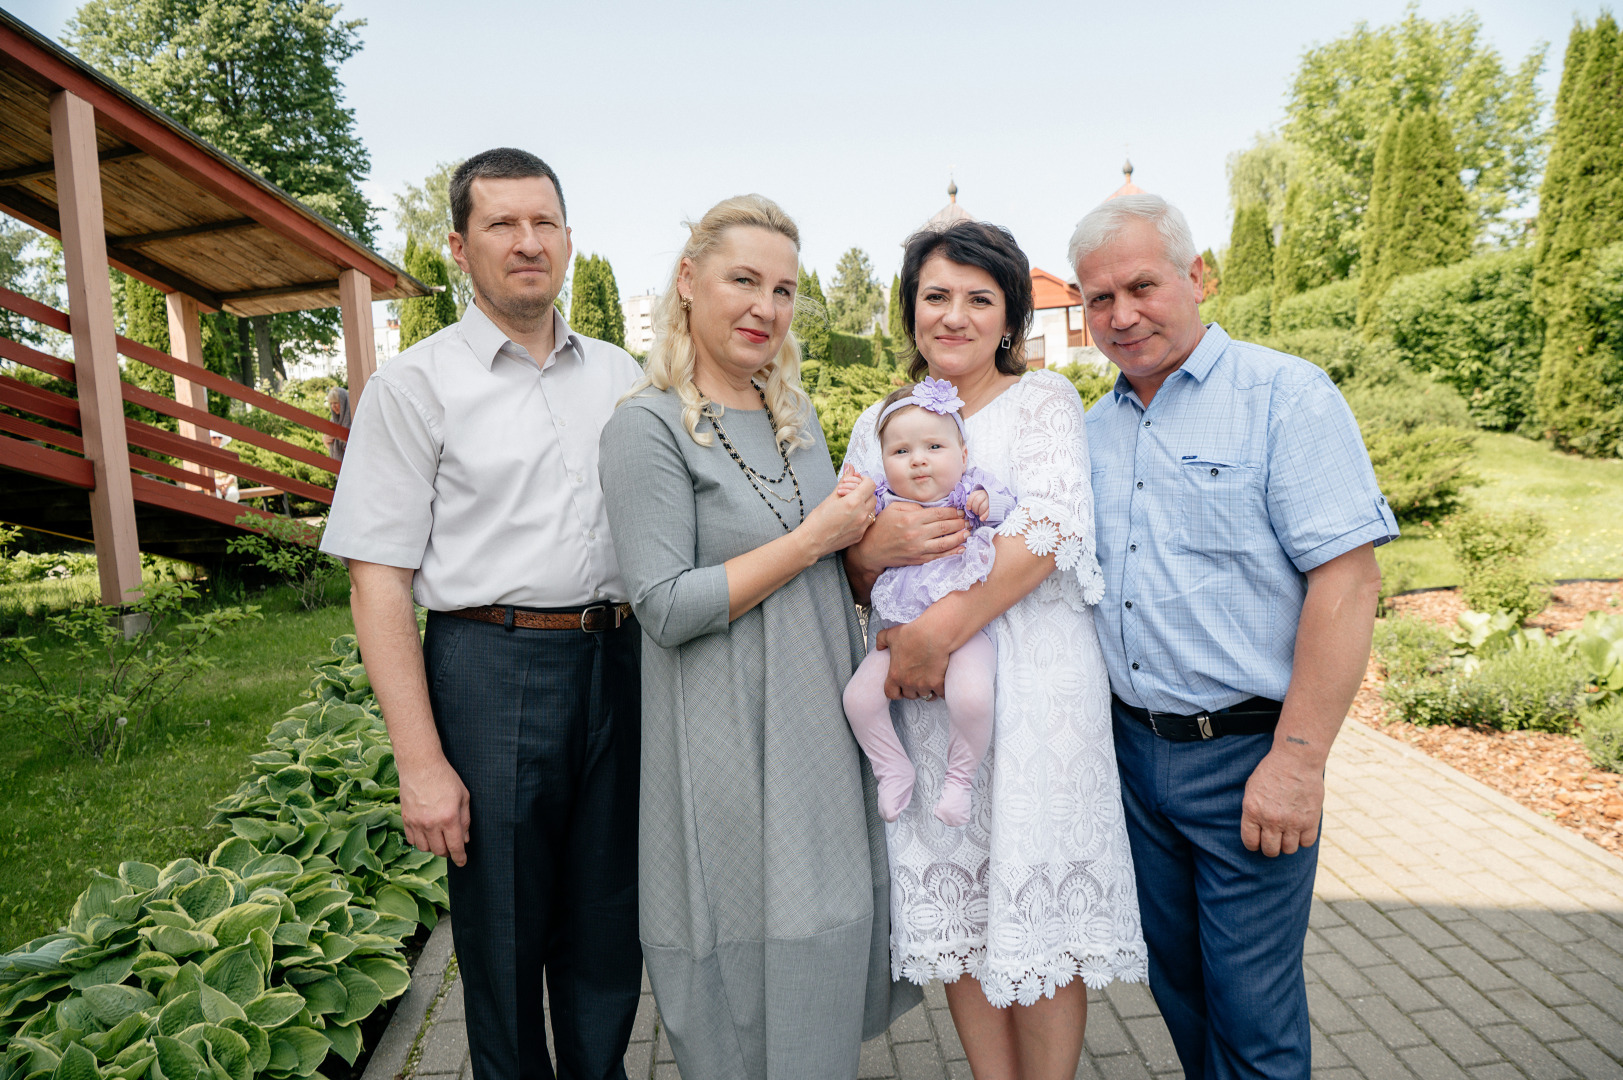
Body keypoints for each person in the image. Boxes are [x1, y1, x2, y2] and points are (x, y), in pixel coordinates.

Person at [320, 148, 645, 1080]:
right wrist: (421, 764)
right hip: (489, 668)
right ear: (460, 248)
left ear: (569, 242)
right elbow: (375, 579)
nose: (527, 242)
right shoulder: (414, 386)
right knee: (502, 943)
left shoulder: (621, 374)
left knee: (605, 927)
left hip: (616, 665)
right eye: (502, 225)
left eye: (544, 223)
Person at [1071, 193, 1395, 1079]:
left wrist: (1297, 762)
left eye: (1141, 286)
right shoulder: (1088, 432)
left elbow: (1348, 579)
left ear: (1197, 275)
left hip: (1249, 758)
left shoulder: (1282, 395)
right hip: (1133, 760)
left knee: (1252, 1016)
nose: (1121, 315)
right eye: (1098, 300)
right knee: (1180, 994)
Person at [598, 193, 920, 1080]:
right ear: (687, 282)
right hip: (725, 739)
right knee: (743, 977)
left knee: (823, 944)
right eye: (743, 280)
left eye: (782, 290)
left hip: (817, 726)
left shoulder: (796, 414)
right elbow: (662, 605)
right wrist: (818, 537)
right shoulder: (645, 428)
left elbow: (826, 566)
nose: (764, 308)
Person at [842, 219, 1146, 1080]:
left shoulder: (1043, 400)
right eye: (935, 297)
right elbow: (854, 554)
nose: (955, 317)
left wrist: (937, 632)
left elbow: (1048, 531)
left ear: (1009, 317)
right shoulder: (880, 420)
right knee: (964, 899)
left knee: (1037, 892)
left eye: (979, 300)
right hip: (925, 703)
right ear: (910, 311)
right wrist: (872, 555)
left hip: (1036, 682)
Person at [839, 377, 1016, 826]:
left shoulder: (968, 489)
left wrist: (986, 503)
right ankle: (891, 769)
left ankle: (960, 780)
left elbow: (1011, 508)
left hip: (965, 626)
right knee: (858, 700)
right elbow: (847, 524)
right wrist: (848, 495)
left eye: (934, 447)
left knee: (973, 698)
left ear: (963, 455)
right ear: (883, 461)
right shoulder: (882, 499)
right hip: (899, 629)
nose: (918, 460)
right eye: (900, 452)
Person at [206, 430, 239, 502]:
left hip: (228, 484)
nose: (217, 440)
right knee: (216, 496)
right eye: (214, 437)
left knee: (233, 494)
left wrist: (226, 484)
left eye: (219, 438)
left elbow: (233, 474)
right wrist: (217, 485)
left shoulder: (226, 455)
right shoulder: (205, 455)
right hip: (213, 484)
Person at [320, 386, 350, 462]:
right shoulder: (333, 421)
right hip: (338, 468)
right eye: (331, 403)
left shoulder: (353, 419)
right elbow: (335, 450)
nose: (333, 406)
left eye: (336, 403)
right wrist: (325, 441)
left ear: (344, 403)